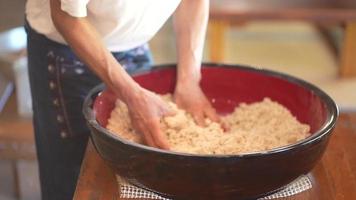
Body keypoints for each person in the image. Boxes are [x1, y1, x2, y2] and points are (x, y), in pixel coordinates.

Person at [25, 0, 220, 199]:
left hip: (133, 43)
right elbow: (66, 16)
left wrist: (189, 80)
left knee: (143, 174)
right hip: (68, 51)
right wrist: (134, 96)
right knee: (77, 180)